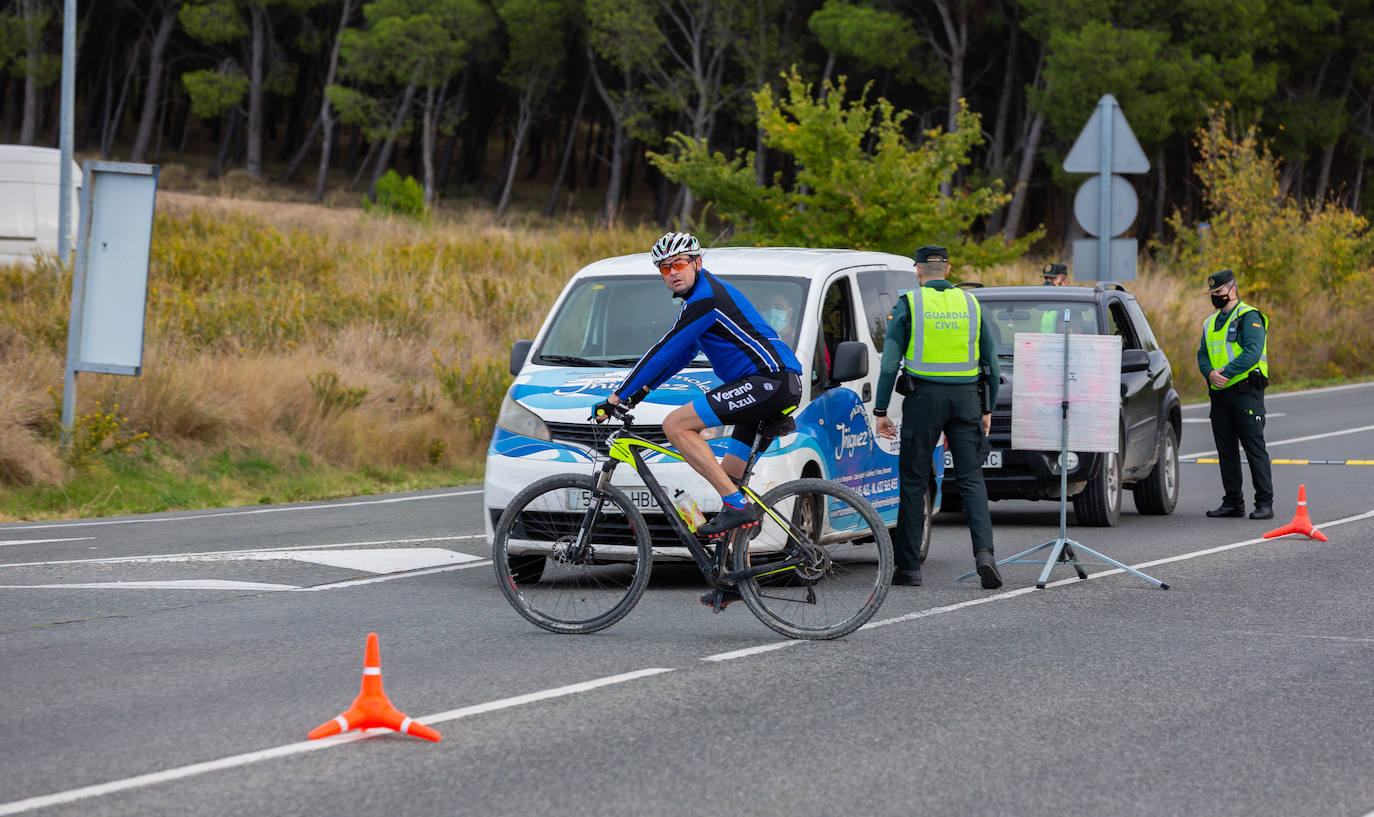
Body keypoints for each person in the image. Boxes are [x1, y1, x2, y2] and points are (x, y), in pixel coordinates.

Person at [593, 231, 804, 609]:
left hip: (767, 382)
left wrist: (617, 397)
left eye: (679, 264)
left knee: (676, 425)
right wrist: (639, 395)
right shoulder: (700, 299)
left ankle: (738, 506)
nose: (672, 273)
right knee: (731, 478)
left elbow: (663, 350)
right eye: (664, 268)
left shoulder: (705, 299)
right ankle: (736, 578)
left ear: (697, 264)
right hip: (772, 385)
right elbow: (681, 355)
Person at [874, 245, 1003, 589]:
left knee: (915, 480)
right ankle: (985, 556)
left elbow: (889, 364)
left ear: (917, 271)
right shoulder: (971, 303)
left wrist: (881, 410)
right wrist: (988, 408)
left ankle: (909, 568)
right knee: (972, 480)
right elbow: (991, 360)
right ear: (948, 270)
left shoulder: (910, 304)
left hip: (923, 399)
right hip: (966, 401)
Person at [1196, 268, 1273, 520]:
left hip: (1245, 392)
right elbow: (1202, 354)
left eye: (1219, 292)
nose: (1216, 296)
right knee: (1225, 451)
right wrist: (1209, 374)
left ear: (1233, 289)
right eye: (1213, 293)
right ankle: (1232, 502)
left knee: (1254, 448)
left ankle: (1264, 503)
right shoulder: (1210, 323)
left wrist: (1226, 372)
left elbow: (1252, 351)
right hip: (1219, 394)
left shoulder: (1249, 317)